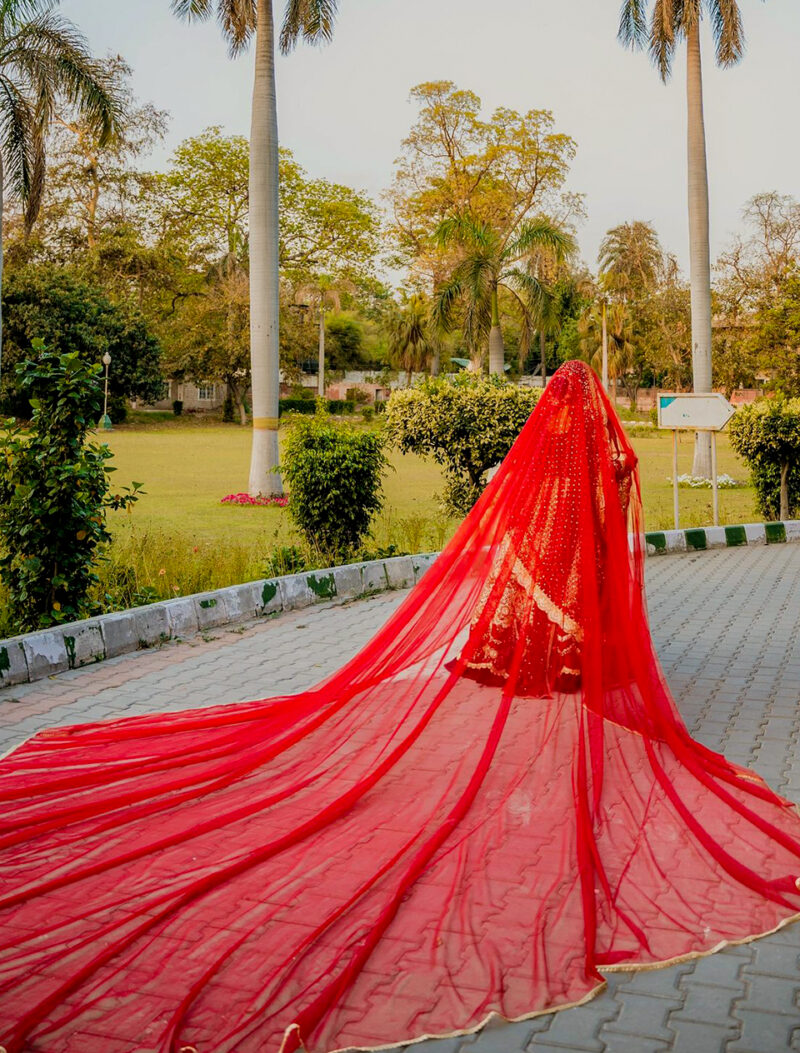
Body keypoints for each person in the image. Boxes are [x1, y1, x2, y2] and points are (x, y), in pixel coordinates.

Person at [2, 360, 800, 1053]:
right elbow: (602, 505)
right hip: (569, 606)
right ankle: (560, 653)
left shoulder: (560, 455)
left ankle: (549, 651)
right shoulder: (603, 458)